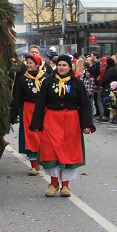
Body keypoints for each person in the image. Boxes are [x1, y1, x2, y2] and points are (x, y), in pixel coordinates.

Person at [28, 54, 95, 197]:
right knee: (52, 150)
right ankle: (53, 183)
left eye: (64, 65)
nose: (61, 67)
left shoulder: (77, 83)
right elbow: (40, 103)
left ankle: (65, 186)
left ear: (70, 67)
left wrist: (87, 124)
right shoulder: (48, 82)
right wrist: (36, 123)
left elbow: (84, 104)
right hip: (52, 119)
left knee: (68, 151)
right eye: (59, 65)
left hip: (71, 120)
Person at [10, 54, 46, 174]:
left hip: (43, 110)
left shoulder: (46, 78)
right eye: (27, 63)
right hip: (28, 109)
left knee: (43, 135)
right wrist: (13, 114)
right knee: (30, 136)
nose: (28, 65)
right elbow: (17, 98)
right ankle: (34, 166)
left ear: (37, 65)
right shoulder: (22, 79)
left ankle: (43, 160)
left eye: (31, 63)